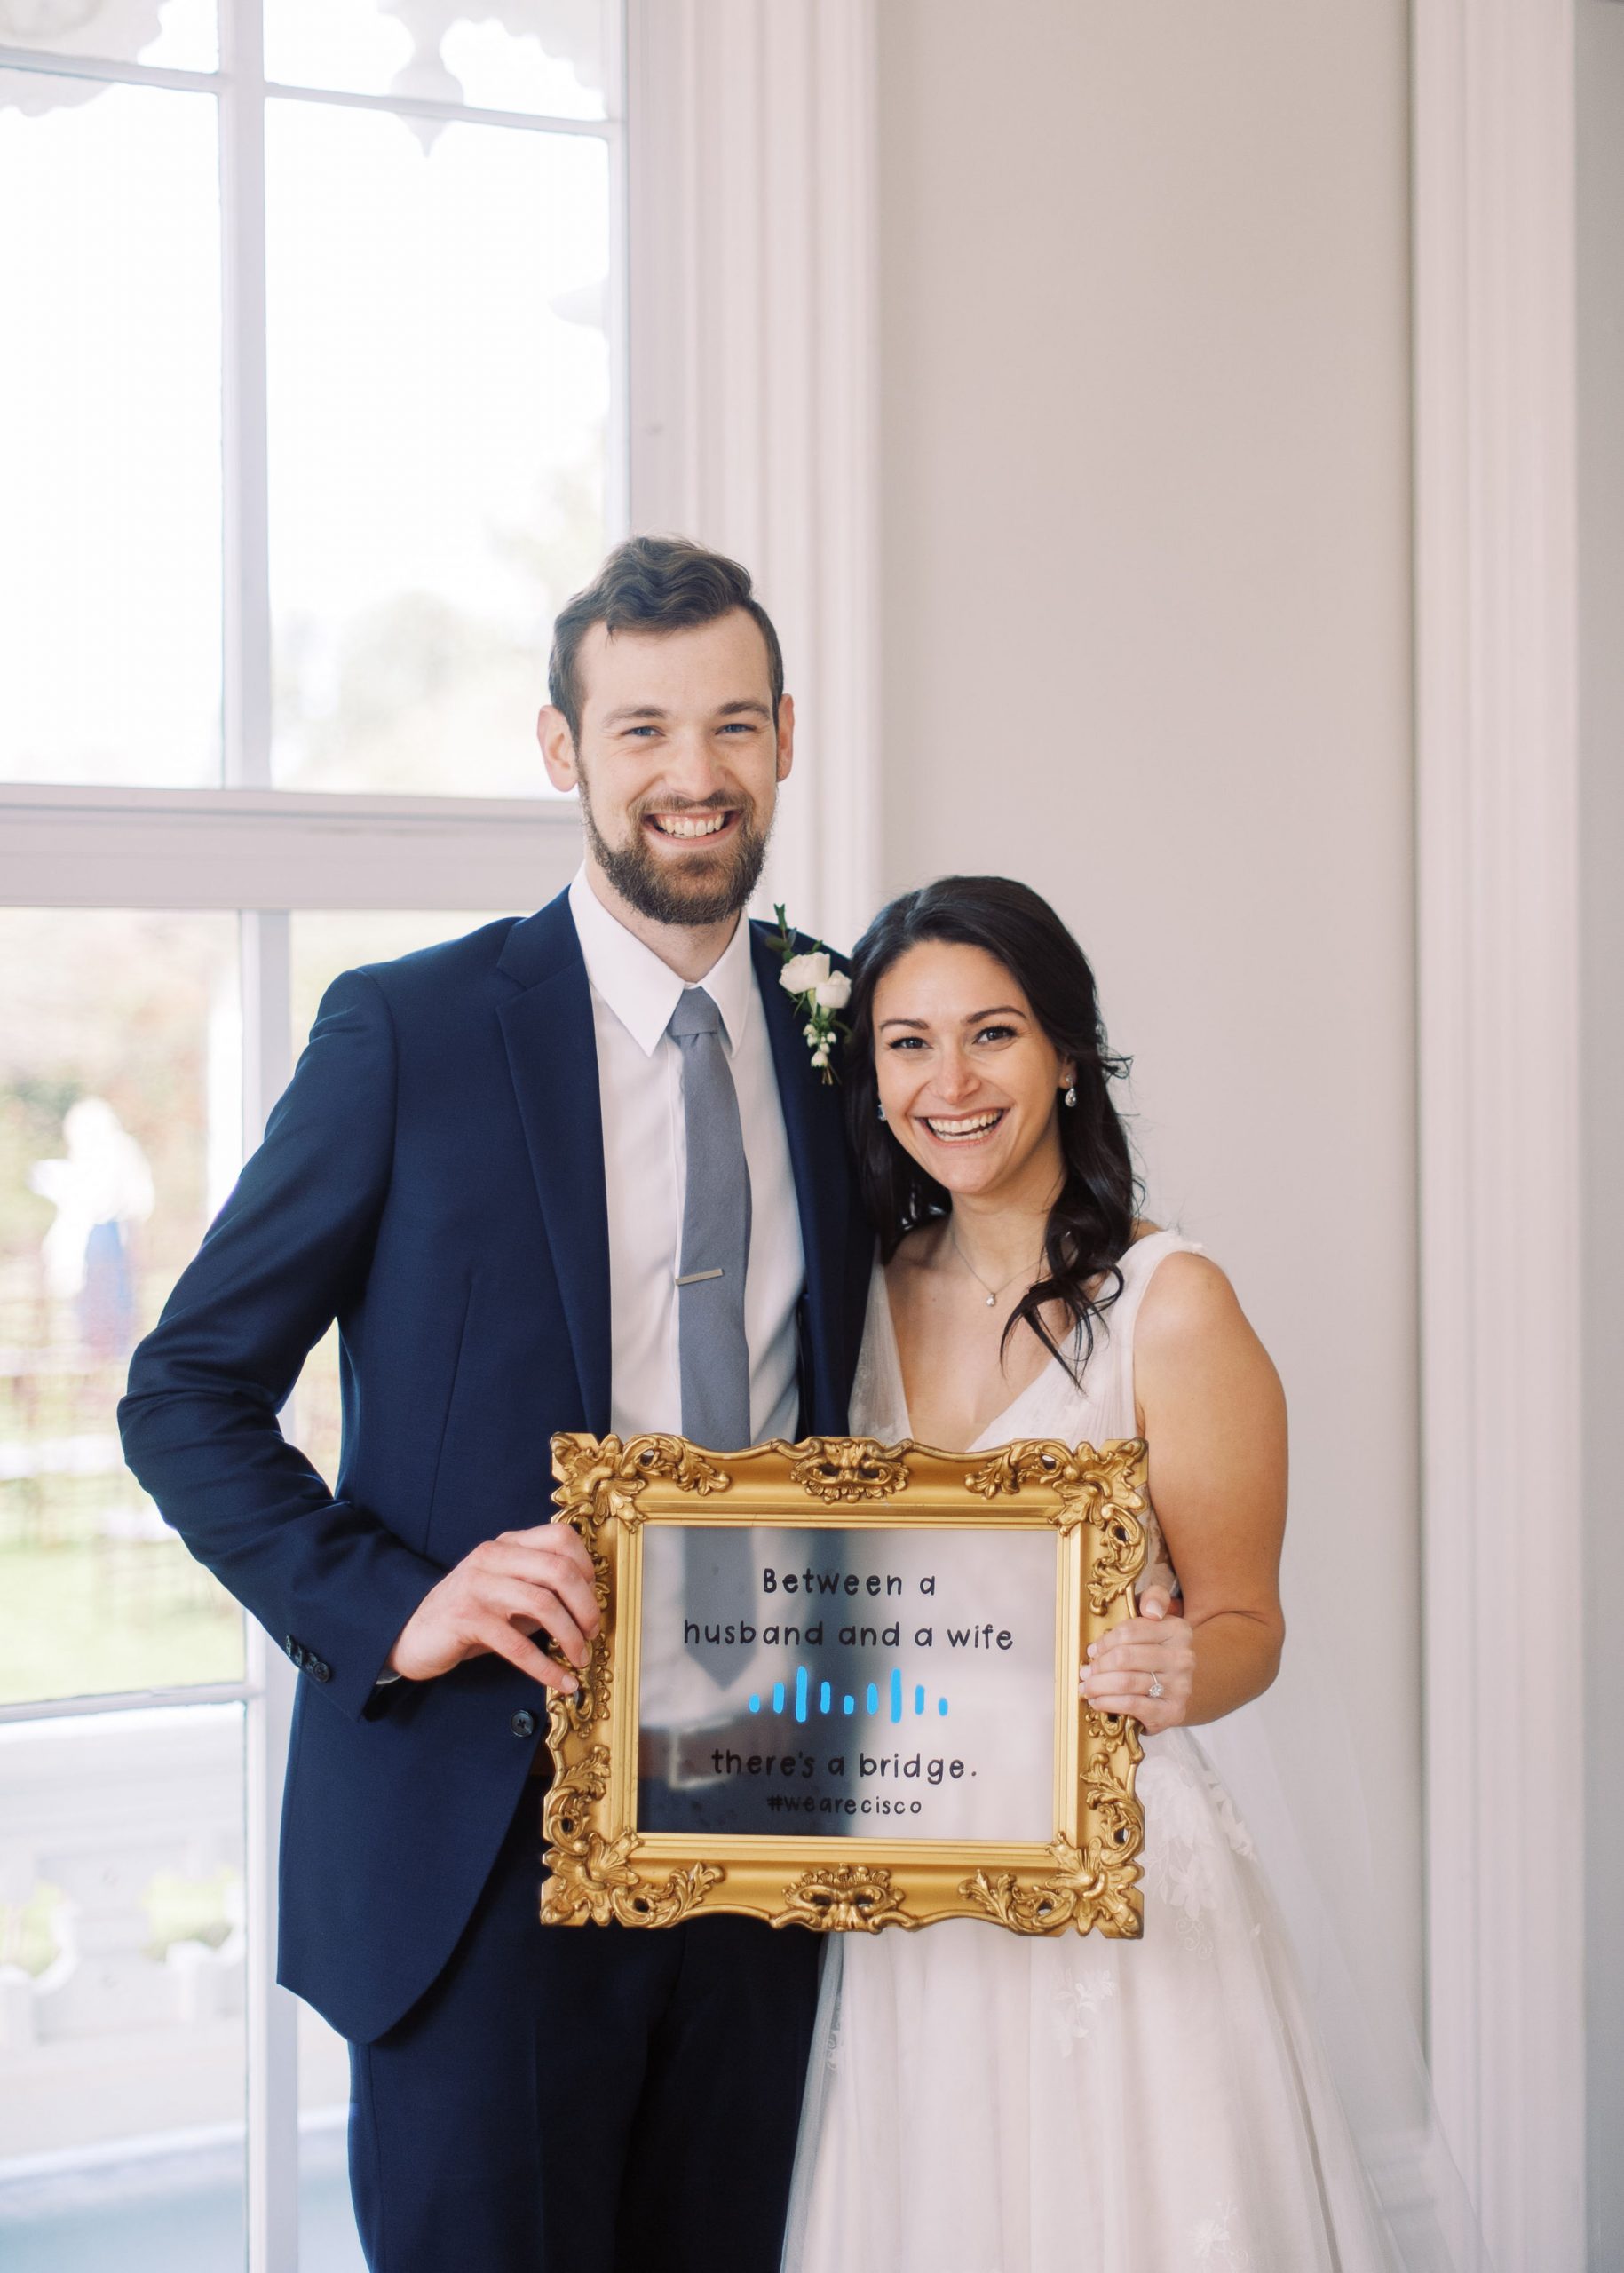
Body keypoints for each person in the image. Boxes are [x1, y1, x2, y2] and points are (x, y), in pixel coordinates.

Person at [119, 536, 872, 2273]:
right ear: (564, 750)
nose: (694, 772)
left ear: (784, 738)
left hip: (775, 1819)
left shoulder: (853, 1031)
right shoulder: (410, 1031)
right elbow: (187, 1390)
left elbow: (960, 1313)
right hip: (484, 1845)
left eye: (734, 723)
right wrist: (403, 1600)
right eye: (642, 729)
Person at [780, 875, 1467, 2273]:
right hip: (909, 1872)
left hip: (1115, 1872)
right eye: (906, 1043)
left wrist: (1176, 1664)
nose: (948, 1080)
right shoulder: (843, 1299)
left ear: (1067, 1054)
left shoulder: (1173, 1302)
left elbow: (1244, 1625)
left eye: (993, 1033)